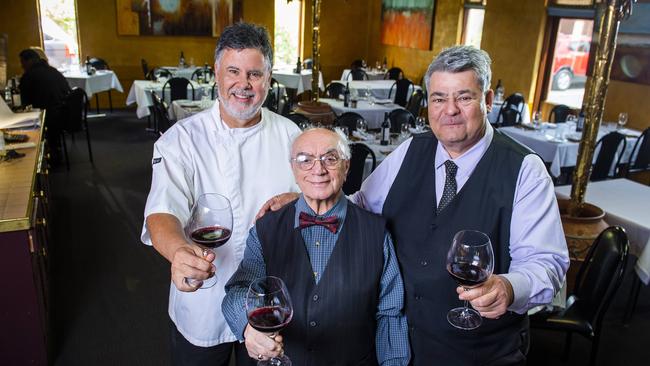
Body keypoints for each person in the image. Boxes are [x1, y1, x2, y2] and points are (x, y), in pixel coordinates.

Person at [261, 45, 569, 365]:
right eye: (438, 98)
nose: (449, 110)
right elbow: (360, 205)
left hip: (478, 352)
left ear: (488, 101)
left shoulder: (524, 169)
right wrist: (307, 201)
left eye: (463, 97)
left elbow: (547, 262)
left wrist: (508, 287)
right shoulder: (412, 149)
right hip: (400, 346)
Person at [141, 22, 301, 366]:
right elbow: (160, 214)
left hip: (268, 302)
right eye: (233, 71)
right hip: (202, 298)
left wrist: (302, 203)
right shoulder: (180, 139)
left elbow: (325, 205)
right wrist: (179, 252)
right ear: (216, 72)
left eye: (255, 74)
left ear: (269, 79)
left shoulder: (291, 135)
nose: (243, 84)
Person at [222, 128, 410, 365]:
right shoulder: (265, 229)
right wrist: (248, 327)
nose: (318, 169)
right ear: (293, 169)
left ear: (347, 167)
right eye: (305, 160)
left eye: (330, 159)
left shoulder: (377, 232)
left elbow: (391, 315)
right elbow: (239, 289)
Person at [18, 48, 70, 162]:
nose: (22, 66)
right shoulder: (54, 71)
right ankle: (55, 149)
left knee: (20, 123)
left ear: (29, 61)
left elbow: (24, 103)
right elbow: (67, 90)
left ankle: (33, 157)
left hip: (49, 118)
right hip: (65, 114)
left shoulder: (29, 76)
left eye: (22, 63)